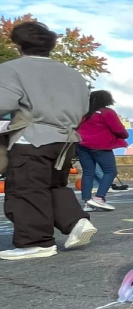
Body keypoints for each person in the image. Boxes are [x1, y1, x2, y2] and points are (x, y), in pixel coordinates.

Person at [0, 21, 97, 261]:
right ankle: (76, 222)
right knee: (53, 185)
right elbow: (84, 107)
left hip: (31, 137)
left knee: (26, 188)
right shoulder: (72, 73)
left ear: (19, 44)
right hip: (65, 139)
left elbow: (3, 104)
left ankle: (36, 241)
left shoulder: (12, 69)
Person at [76, 90, 128, 212]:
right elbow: (119, 130)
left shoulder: (84, 113)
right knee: (110, 171)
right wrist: (124, 135)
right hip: (100, 146)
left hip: (82, 145)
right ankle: (99, 197)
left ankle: (87, 202)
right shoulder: (107, 112)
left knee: (88, 172)